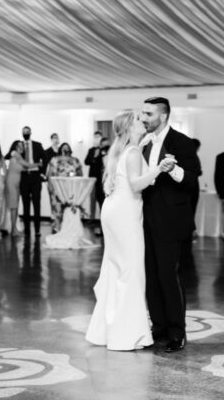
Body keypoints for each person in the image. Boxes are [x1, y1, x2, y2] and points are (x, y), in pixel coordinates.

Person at [86, 110, 174, 351]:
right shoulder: (133, 152)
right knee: (132, 271)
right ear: (129, 128)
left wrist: (144, 145)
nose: (143, 121)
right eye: (138, 120)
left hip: (113, 210)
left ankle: (107, 332)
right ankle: (128, 335)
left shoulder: (122, 150)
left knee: (115, 268)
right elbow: (137, 184)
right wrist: (160, 168)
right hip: (125, 214)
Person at [139, 97, 200, 353]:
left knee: (169, 275)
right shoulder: (143, 143)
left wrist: (173, 169)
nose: (144, 118)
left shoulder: (181, 142)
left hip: (171, 221)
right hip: (145, 219)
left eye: (149, 114)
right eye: (143, 113)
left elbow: (193, 179)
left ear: (163, 116)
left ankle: (177, 331)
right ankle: (159, 326)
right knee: (151, 276)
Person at [46, 142, 83, 233]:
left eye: (67, 148)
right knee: (57, 207)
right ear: (60, 149)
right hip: (57, 188)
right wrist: (50, 185)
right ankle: (56, 227)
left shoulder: (75, 160)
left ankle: (69, 227)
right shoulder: (54, 159)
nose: (65, 150)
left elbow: (80, 174)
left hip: (70, 188)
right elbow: (50, 173)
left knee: (69, 206)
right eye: (63, 148)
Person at [17, 127, 46, 237]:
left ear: (30, 133)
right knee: (25, 204)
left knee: (36, 203)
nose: (25, 134)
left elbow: (45, 158)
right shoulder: (19, 146)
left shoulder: (37, 145)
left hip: (35, 177)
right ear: (22, 134)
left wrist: (42, 173)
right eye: (24, 132)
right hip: (23, 177)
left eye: (27, 132)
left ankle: (37, 229)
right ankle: (27, 229)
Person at [5, 140, 35, 237]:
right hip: (12, 183)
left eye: (22, 146)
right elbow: (28, 165)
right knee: (13, 207)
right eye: (18, 146)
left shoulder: (18, 157)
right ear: (14, 147)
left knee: (15, 207)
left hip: (16, 184)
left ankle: (14, 229)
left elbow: (24, 168)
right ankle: (13, 230)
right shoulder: (15, 155)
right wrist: (39, 164)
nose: (20, 147)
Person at [85, 132, 110, 221]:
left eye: (98, 137)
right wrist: (94, 157)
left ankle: (102, 218)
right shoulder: (91, 150)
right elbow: (86, 161)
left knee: (101, 198)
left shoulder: (106, 150)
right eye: (95, 137)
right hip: (92, 177)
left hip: (101, 178)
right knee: (92, 198)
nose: (96, 138)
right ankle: (91, 218)